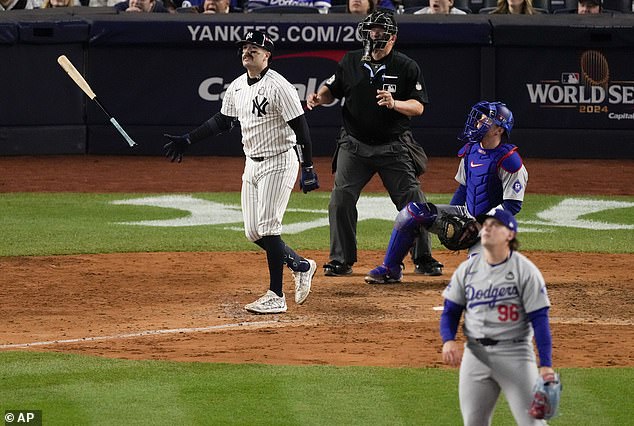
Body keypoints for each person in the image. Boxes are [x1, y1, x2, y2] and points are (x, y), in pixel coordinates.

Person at [163, 30, 319, 314]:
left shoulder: (279, 86)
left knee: (269, 228)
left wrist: (308, 166)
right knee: (253, 232)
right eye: (245, 47)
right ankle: (300, 265)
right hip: (252, 163)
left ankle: (276, 295)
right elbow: (223, 120)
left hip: (280, 161)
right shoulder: (236, 86)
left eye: (254, 49)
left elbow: (302, 130)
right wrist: (189, 139)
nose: (247, 52)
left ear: (267, 56)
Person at [306, 10, 443, 279]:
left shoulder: (406, 66)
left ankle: (423, 256)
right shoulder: (351, 60)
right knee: (340, 199)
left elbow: (418, 107)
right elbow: (331, 88)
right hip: (354, 145)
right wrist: (318, 98)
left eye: (380, 32)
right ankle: (341, 259)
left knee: (413, 200)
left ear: (392, 37)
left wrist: (395, 104)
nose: (374, 36)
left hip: (394, 146)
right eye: (371, 30)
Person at [364, 101, 527, 284]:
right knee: (411, 214)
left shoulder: (510, 161)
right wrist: (452, 220)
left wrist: (479, 224)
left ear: (499, 129)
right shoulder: (471, 150)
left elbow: (513, 204)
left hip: (492, 226)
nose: (478, 122)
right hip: (467, 215)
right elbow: (464, 188)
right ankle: (390, 269)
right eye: (479, 118)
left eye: (485, 120)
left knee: (477, 280)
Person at [440, 209, 556, 425]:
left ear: (510, 235)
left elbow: (540, 320)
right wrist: (448, 340)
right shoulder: (467, 270)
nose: (487, 228)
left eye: (495, 225)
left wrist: (546, 364)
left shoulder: (525, 271)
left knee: (533, 423)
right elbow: (450, 311)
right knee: (473, 422)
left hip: (516, 356)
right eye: (485, 225)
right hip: (475, 355)